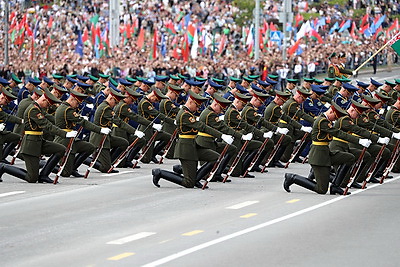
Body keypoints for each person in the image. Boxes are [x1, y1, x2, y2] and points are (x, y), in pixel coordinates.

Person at [284, 103, 372, 195]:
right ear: (331, 112)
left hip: (326, 153)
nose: (335, 120)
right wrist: (359, 141)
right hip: (319, 156)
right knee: (321, 189)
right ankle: (292, 178)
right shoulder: (322, 121)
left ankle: (335, 186)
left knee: (349, 158)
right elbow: (338, 133)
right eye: (335, 117)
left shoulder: (325, 120)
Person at [152, 90, 234, 188]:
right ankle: (160, 173)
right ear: (191, 102)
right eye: (197, 106)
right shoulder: (185, 114)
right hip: (186, 148)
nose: (198, 108)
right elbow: (202, 127)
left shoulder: (188, 113)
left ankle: (195, 178)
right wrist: (222, 136)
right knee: (188, 183)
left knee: (215, 157)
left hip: (193, 145)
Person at [0, 88, 77, 183]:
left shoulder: (38, 108)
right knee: (32, 178)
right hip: (30, 145)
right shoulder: (33, 110)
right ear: (44, 100)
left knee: (60, 149)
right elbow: (47, 125)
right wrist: (65, 134)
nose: (47, 107)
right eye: (48, 104)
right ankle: (3, 167)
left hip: (39, 141)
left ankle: (44, 175)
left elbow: (49, 121)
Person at [54, 90, 111, 178]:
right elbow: (83, 123)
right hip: (64, 140)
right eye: (77, 103)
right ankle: (47, 166)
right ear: (72, 99)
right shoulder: (67, 110)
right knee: (65, 173)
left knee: (89, 148)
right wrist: (100, 130)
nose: (78, 106)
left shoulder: (66, 108)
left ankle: (73, 168)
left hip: (72, 139)